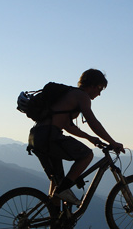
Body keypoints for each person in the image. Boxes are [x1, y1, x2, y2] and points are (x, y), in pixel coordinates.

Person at [28, 69, 124, 206]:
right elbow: (93, 122)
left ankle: (55, 222)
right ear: (92, 85)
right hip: (49, 136)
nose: (99, 93)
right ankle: (63, 190)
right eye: (99, 88)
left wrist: (90, 138)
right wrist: (112, 142)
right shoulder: (82, 96)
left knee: (57, 182)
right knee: (87, 155)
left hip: (37, 136)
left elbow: (67, 125)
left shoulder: (69, 94)